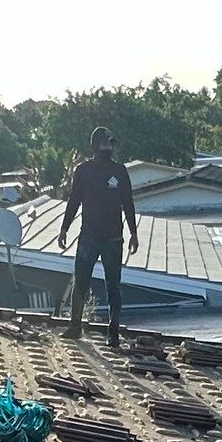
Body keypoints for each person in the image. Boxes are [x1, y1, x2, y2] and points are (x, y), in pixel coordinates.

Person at [57, 128, 138, 340]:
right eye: (104, 144)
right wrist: (64, 228)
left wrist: (133, 233)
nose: (108, 148)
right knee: (81, 281)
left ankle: (114, 331)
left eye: (110, 144)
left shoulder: (120, 171)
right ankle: (75, 326)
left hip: (113, 237)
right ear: (95, 146)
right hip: (89, 236)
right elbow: (74, 200)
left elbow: (128, 203)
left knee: (113, 285)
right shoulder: (83, 170)